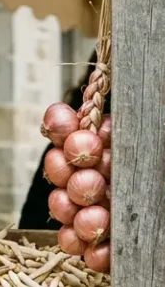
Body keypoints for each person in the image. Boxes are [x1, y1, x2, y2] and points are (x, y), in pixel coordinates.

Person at [19, 51, 107, 230]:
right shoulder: (61, 151)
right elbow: (33, 220)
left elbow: (29, 222)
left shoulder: (61, 149)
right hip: (60, 248)